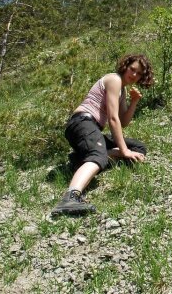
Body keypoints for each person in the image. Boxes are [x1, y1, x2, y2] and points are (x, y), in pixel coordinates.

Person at [51, 54, 155, 216]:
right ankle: (70, 198)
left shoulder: (122, 90)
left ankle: (81, 160)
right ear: (125, 66)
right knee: (106, 154)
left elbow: (123, 121)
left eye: (139, 73)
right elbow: (113, 119)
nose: (134, 75)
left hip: (91, 128)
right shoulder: (114, 79)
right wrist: (124, 151)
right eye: (132, 69)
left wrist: (134, 101)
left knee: (137, 147)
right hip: (82, 123)